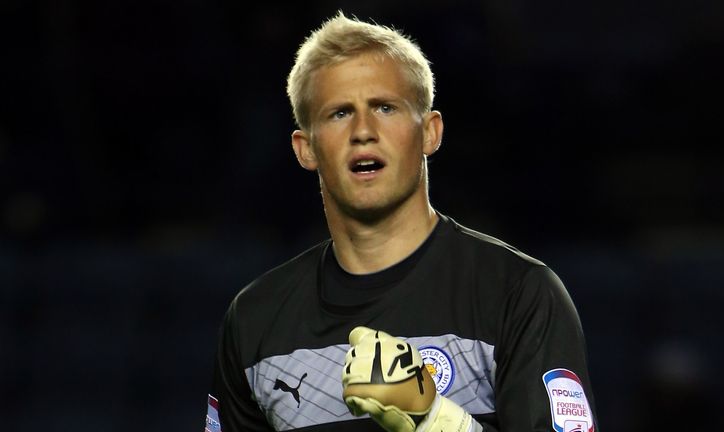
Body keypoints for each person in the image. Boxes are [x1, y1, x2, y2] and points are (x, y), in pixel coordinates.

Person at [205, 11, 597, 432]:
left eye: (385, 108)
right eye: (339, 113)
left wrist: (433, 419)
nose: (363, 131)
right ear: (306, 149)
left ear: (430, 132)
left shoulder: (517, 294)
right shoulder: (255, 321)